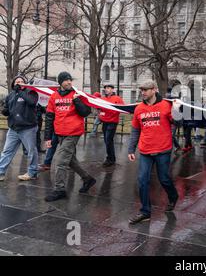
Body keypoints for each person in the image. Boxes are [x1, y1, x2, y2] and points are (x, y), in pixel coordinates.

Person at [128, 81, 179, 224]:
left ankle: (173, 196)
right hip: (145, 150)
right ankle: (145, 211)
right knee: (143, 181)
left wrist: (177, 111)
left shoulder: (166, 105)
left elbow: (178, 123)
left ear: (154, 90)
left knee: (164, 179)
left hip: (163, 149)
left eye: (146, 90)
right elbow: (135, 130)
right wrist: (131, 149)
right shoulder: (139, 109)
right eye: (141, 90)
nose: (143, 92)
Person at [44, 72, 96, 201]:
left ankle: (59, 189)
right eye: (66, 80)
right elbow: (49, 118)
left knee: (60, 162)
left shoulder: (77, 94)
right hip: (60, 133)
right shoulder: (54, 97)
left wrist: (77, 100)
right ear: (60, 82)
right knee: (71, 160)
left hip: (73, 132)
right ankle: (88, 179)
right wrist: (47, 137)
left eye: (70, 80)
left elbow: (85, 112)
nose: (69, 82)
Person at [0, 75, 39, 182]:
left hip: (28, 128)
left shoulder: (31, 93)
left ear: (25, 84)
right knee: (7, 151)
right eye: (17, 81)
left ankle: (32, 172)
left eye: (22, 81)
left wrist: (21, 92)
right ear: (13, 83)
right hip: (13, 128)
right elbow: (7, 108)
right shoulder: (11, 95)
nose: (19, 83)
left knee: (31, 151)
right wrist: (5, 111)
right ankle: (0, 172)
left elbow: (32, 103)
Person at [98, 84, 124, 167]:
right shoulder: (103, 99)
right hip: (104, 122)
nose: (106, 89)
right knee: (107, 141)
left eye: (108, 88)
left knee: (108, 140)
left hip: (112, 122)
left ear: (113, 90)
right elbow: (100, 109)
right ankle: (112, 158)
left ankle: (109, 159)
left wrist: (114, 111)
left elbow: (123, 108)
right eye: (105, 88)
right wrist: (100, 115)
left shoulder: (117, 98)